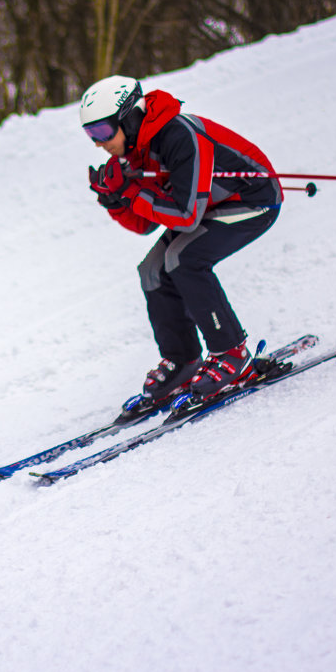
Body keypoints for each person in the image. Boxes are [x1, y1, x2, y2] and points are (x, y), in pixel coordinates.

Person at [79, 75, 283, 416]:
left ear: (129, 118)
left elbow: (186, 217)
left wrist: (129, 192)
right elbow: (144, 224)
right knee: (152, 271)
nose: (99, 143)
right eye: (90, 135)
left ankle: (233, 354)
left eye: (102, 131)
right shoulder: (132, 149)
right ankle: (183, 360)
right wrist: (114, 200)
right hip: (210, 207)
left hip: (251, 200)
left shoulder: (180, 135)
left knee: (184, 258)